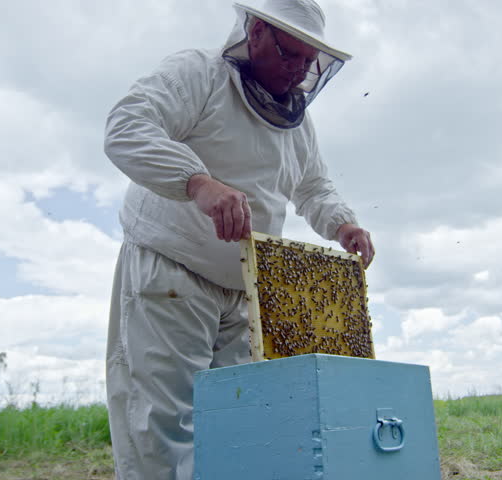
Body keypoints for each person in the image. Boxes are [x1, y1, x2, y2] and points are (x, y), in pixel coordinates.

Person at [102, 0, 374, 478]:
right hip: (171, 272)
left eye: (308, 64)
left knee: (235, 422)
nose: (297, 73)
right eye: (289, 55)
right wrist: (198, 182)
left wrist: (342, 224)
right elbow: (126, 127)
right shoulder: (197, 74)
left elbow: (313, 187)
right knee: (162, 424)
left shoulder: (298, 125)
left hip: (247, 289)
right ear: (255, 33)